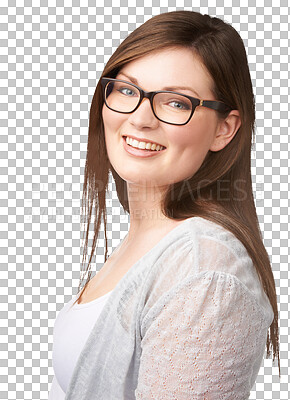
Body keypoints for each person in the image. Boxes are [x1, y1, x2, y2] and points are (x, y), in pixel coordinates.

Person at [49, 10, 280, 400]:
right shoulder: (148, 242)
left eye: (176, 103)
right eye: (126, 90)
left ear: (224, 129)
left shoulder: (203, 273)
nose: (139, 119)